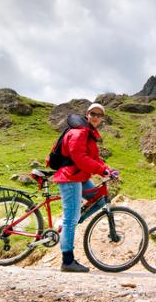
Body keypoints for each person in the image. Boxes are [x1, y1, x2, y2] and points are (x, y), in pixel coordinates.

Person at [49, 103, 116, 273]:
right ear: (87, 114)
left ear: (102, 118)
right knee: (70, 219)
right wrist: (102, 170)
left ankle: (69, 224)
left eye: (99, 115)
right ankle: (67, 261)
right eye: (93, 113)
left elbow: (94, 158)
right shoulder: (80, 132)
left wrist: (108, 169)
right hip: (70, 176)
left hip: (80, 176)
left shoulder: (88, 133)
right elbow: (79, 158)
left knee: (98, 199)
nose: (95, 117)